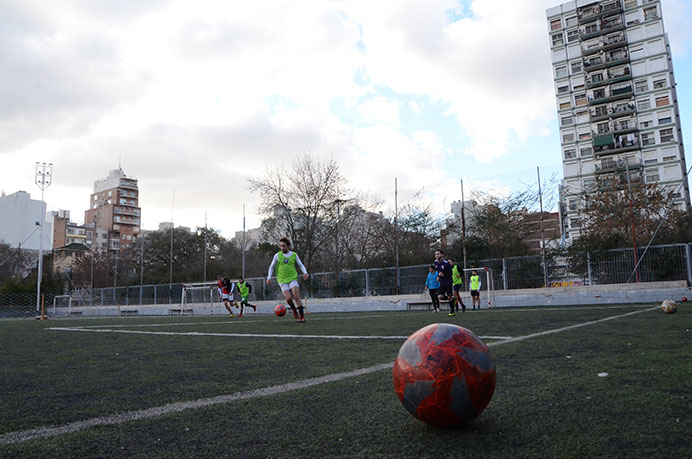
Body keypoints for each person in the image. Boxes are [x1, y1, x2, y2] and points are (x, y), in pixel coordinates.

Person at [267, 237, 309, 323]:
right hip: (282, 280)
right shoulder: (277, 255)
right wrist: (269, 277)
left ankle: (302, 316)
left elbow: (300, 265)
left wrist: (305, 272)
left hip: (292, 278)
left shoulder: (294, 255)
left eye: (284, 246)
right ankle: (293, 309)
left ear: (288, 246)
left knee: (296, 296)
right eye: (281, 246)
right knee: (289, 299)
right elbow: (271, 267)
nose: (282, 248)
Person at [433, 249, 455, 317]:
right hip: (442, 282)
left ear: (442, 255)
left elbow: (450, 273)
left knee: (449, 296)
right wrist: (438, 276)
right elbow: (438, 271)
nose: (437, 255)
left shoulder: (446, 263)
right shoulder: (435, 262)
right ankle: (451, 299)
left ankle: (452, 311)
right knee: (440, 296)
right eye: (436, 254)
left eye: (438, 254)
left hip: (448, 281)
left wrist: (444, 275)